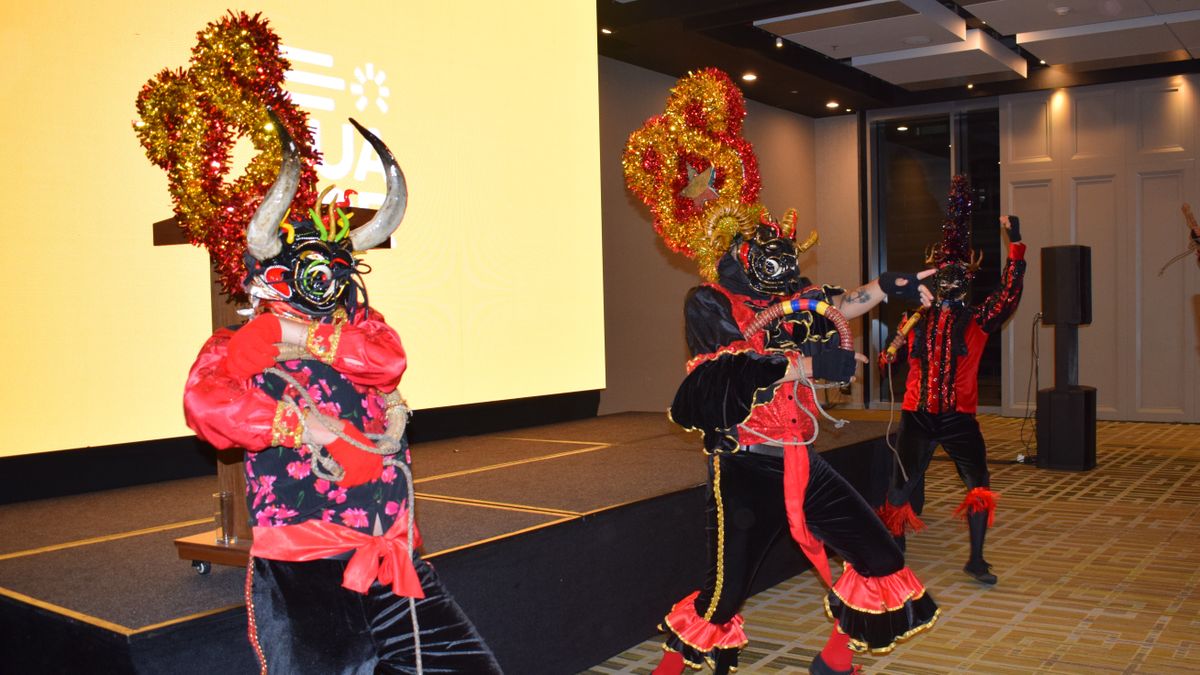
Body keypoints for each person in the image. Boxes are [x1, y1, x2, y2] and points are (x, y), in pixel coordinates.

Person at [624, 68, 939, 675]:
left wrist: (886, 287)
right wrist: (806, 363)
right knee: (722, 599)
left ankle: (835, 661)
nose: (782, 260)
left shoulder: (788, 296)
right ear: (736, 254)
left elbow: (835, 305)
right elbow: (726, 372)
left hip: (800, 460)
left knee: (877, 551)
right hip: (744, 468)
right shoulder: (709, 303)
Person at [182, 115, 503, 674]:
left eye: (331, 269)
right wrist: (302, 426)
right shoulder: (232, 346)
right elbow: (207, 407)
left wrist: (297, 335)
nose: (321, 282)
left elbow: (388, 361)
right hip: (308, 565)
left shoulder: (361, 333)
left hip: (391, 556)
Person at [877, 175, 1027, 586]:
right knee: (900, 489)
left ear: (968, 282)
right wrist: (889, 354)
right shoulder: (917, 317)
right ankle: (895, 558)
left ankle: (977, 559)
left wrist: (1015, 244)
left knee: (979, 486)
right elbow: (895, 355)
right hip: (917, 415)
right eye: (944, 277)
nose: (950, 284)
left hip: (960, 417)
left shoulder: (977, 320)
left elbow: (1010, 294)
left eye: (958, 278)